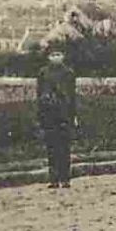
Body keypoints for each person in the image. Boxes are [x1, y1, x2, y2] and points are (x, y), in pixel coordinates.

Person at [36, 47, 79, 189]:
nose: (56, 57)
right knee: (51, 147)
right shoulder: (43, 73)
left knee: (65, 148)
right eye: (53, 55)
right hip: (49, 114)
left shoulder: (68, 73)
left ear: (63, 56)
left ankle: (65, 178)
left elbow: (72, 97)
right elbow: (39, 95)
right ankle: (53, 178)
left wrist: (74, 115)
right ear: (48, 57)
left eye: (58, 54)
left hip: (64, 114)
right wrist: (41, 115)